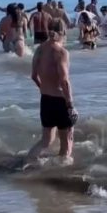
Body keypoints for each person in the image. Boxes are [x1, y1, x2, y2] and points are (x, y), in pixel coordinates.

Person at [26, 22, 77, 163]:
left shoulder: (39, 49)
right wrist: (70, 105)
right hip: (60, 101)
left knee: (46, 140)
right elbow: (64, 80)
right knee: (67, 142)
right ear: (62, 32)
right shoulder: (61, 52)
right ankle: (63, 171)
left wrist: (43, 88)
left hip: (45, 99)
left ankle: (28, 162)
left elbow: (33, 76)